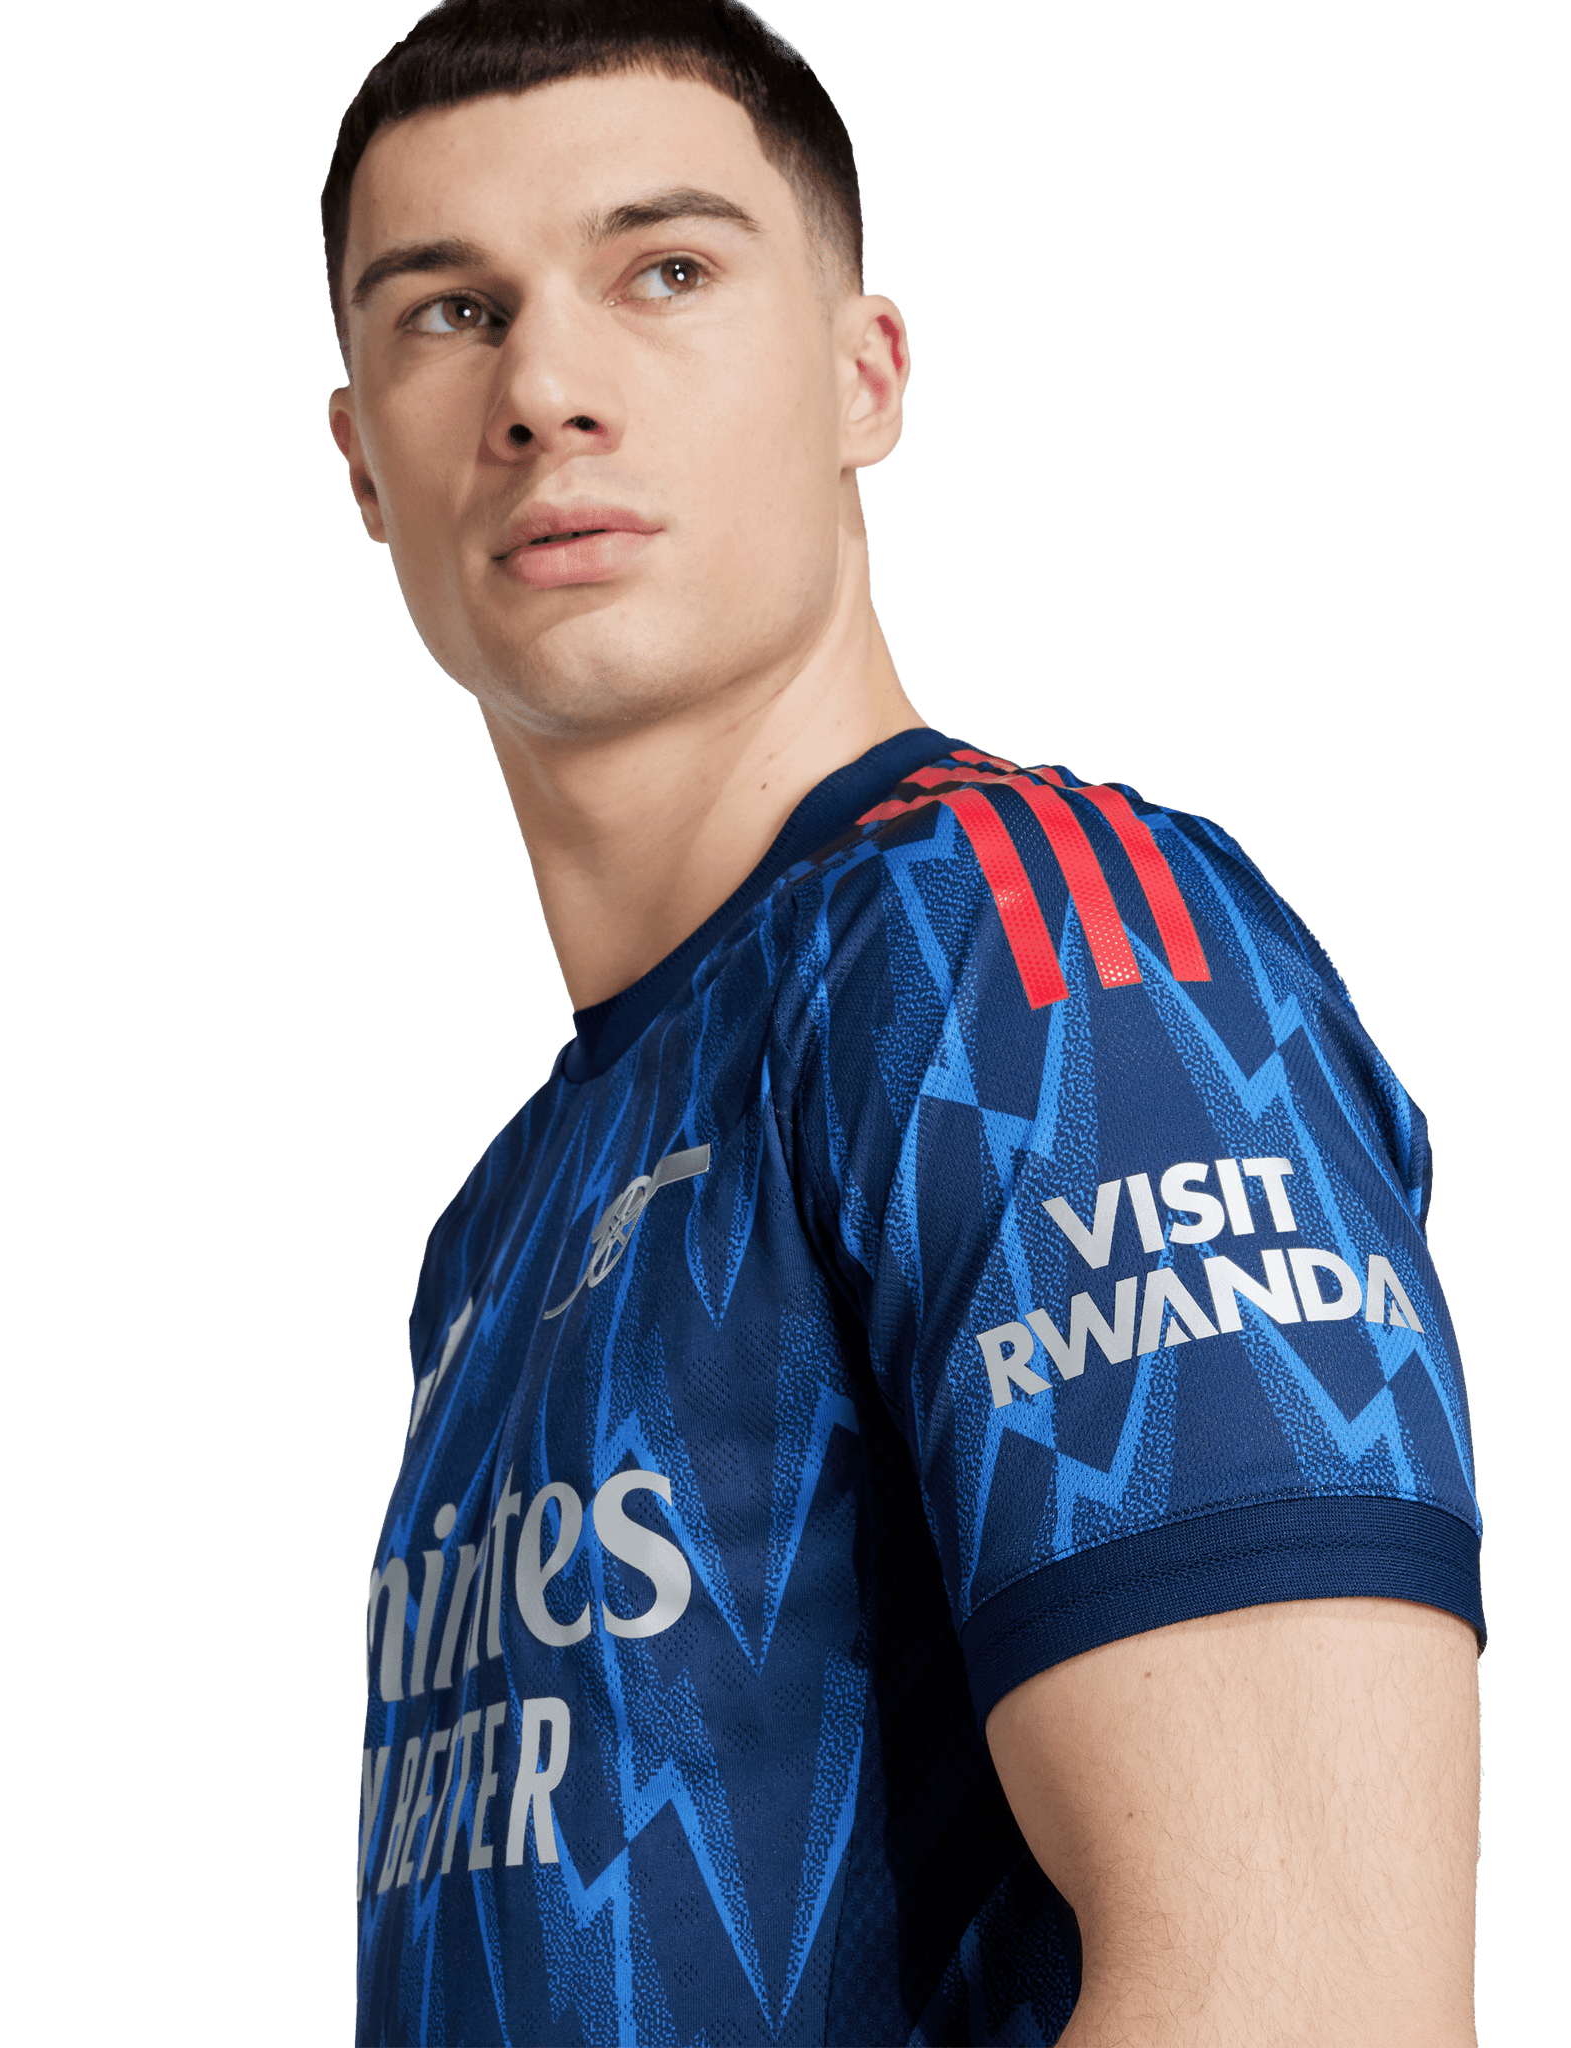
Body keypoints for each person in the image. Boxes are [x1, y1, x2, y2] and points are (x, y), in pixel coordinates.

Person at [323, 5, 1485, 2042]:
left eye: (664, 271)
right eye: (450, 313)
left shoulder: (1037, 950)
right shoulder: (505, 1221)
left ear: (863, 374)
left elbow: (1306, 1988)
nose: (545, 389)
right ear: (362, 461)